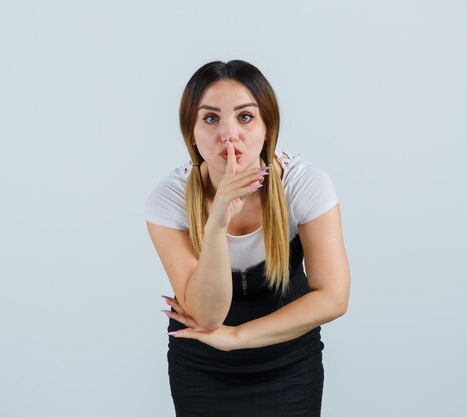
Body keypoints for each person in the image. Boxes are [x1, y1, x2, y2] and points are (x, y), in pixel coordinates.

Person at [144, 59, 351, 417]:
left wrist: (237, 337)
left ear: (267, 126)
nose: (229, 135)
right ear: (190, 132)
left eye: (244, 117)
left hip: (288, 362)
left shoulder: (303, 184)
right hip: (202, 368)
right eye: (210, 118)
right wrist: (216, 225)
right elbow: (207, 317)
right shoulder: (168, 199)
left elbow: (333, 298)